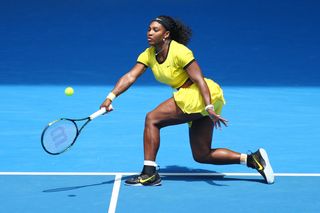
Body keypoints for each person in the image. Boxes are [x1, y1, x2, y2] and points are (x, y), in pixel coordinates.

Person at [100, 15, 274, 186]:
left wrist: (209, 107)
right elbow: (131, 76)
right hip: (194, 99)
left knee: (152, 119)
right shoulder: (149, 54)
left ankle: (149, 173)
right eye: (148, 29)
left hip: (200, 94)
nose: (149, 33)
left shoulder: (180, 51)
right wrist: (110, 97)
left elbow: (199, 80)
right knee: (202, 154)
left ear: (166, 34)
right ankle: (253, 159)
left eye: (155, 30)